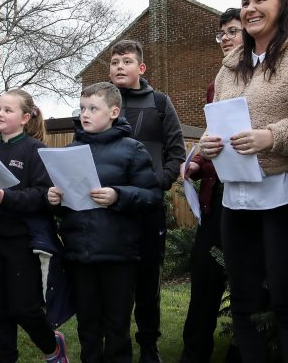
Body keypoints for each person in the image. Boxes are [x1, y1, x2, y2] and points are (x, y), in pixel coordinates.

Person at [199, 0, 288, 363]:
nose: (250, 9)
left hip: (285, 194)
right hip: (236, 198)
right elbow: (218, 118)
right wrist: (206, 142)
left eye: (260, 0)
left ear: (283, 5)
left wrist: (272, 136)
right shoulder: (230, 66)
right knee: (244, 304)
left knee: (287, 300)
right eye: (246, 1)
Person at [48, 81, 161, 363]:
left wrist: (118, 195)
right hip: (80, 252)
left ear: (113, 112)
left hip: (117, 253)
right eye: (82, 108)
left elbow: (153, 196)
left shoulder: (132, 149)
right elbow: (68, 206)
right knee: (87, 324)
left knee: (116, 324)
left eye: (93, 108)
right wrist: (55, 199)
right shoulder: (71, 149)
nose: (85, 114)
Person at [0, 88, 70, 363]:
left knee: (25, 309)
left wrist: (5, 198)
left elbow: (44, 196)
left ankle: (53, 348)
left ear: (25, 117)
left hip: (24, 242)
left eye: (8, 110)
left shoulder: (36, 151)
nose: (0, 113)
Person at [108, 40, 187, 363]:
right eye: (114, 62)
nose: (119, 67)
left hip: (148, 209)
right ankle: (116, 345)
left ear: (141, 68)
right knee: (115, 282)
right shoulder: (102, 103)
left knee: (147, 281)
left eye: (126, 61)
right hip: (111, 209)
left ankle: (149, 346)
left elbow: (176, 153)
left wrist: (158, 184)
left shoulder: (159, 103)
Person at [179, 9, 242, 363]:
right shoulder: (215, 85)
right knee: (204, 276)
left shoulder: (271, 76)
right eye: (222, 34)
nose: (227, 39)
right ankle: (194, 354)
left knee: (248, 282)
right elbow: (212, 140)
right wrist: (196, 164)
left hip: (256, 197)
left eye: (234, 31)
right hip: (216, 198)